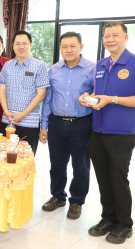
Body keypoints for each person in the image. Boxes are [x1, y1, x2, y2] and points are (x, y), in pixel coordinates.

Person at [79, 22, 135, 244]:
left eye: (115, 35)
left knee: (118, 178)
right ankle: (108, 218)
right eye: (106, 36)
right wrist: (88, 98)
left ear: (125, 37)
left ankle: (124, 224)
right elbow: (98, 93)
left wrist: (112, 100)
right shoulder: (101, 65)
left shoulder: (133, 63)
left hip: (121, 133)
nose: (110, 39)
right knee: (103, 178)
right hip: (97, 131)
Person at [39, 32, 95, 219]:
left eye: (72, 46)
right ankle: (58, 196)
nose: (68, 50)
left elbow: (98, 95)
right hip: (56, 124)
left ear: (81, 46)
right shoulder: (53, 70)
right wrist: (44, 126)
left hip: (82, 124)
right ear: (60, 48)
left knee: (81, 166)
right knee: (57, 164)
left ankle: (77, 201)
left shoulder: (92, 69)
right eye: (64, 46)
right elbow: (47, 100)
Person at [0, 30, 49, 155]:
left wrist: (22, 114)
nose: (21, 46)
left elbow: (41, 94)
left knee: (26, 158)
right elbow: (2, 90)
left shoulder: (39, 66)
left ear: (31, 45)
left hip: (29, 123)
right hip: (8, 121)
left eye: (24, 43)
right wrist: (6, 111)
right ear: (13, 46)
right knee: (6, 157)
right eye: (17, 44)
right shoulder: (7, 65)